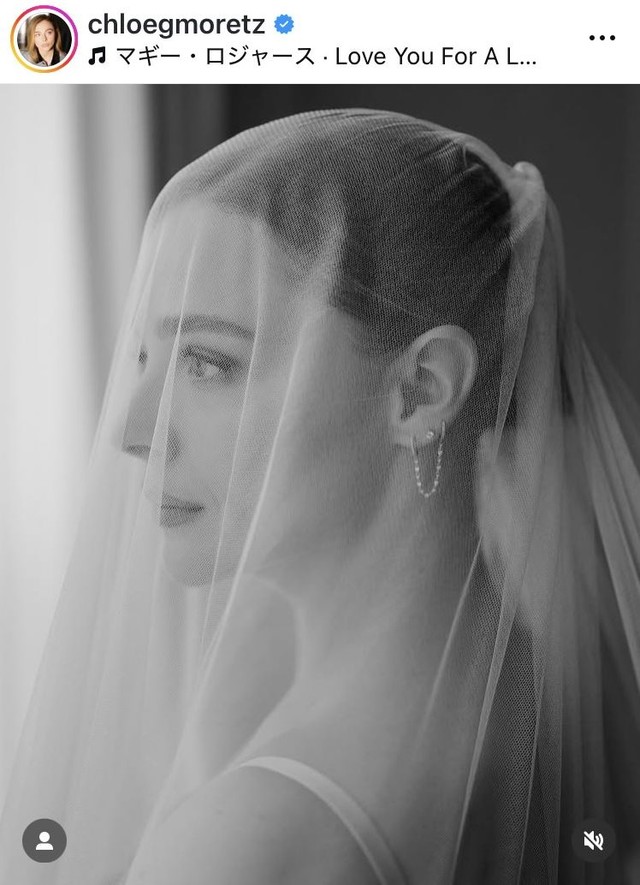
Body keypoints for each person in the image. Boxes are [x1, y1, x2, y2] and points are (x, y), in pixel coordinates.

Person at [1, 108, 639, 884]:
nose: (134, 429)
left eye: (208, 361)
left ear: (420, 389)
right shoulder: (562, 707)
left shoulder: (246, 844)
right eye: (144, 358)